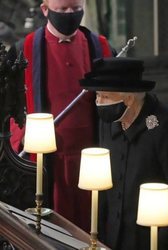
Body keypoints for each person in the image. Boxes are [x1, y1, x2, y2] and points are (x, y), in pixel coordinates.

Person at [7, 0, 113, 232]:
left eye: (76, 9)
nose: (70, 15)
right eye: (63, 10)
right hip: (45, 161)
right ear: (45, 10)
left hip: (92, 159)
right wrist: (23, 135)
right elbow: (10, 107)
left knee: (91, 228)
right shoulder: (24, 49)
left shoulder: (101, 47)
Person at [80, 57, 168, 250]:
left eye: (105, 97)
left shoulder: (164, 123)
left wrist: (159, 241)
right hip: (111, 238)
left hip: (150, 239)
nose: (98, 102)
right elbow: (102, 183)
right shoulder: (108, 121)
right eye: (97, 96)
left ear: (128, 98)